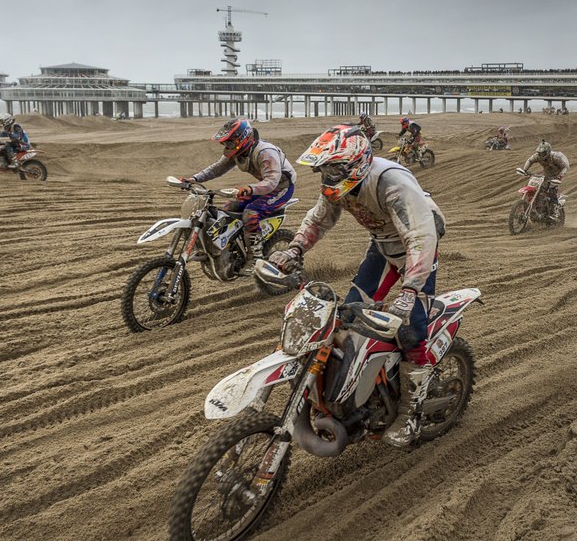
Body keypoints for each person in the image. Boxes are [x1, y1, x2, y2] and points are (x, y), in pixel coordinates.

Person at [269, 124, 446, 448]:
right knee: (348, 315)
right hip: (382, 245)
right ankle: (360, 387)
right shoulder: (338, 186)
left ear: (357, 163)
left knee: (410, 328)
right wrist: (294, 248)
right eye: (324, 169)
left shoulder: (392, 183)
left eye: (334, 168)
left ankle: (411, 413)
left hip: (417, 248)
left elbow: (421, 238)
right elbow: (318, 219)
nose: (328, 175)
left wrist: (409, 291)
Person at [181, 118, 296, 261]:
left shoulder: (265, 153)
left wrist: (249, 188)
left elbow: (272, 181)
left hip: (282, 187)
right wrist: (195, 179)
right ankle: (233, 246)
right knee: (229, 208)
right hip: (263, 186)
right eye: (225, 143)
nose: (226, 146)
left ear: (243, 138)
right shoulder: (239, 151)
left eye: (230, 142)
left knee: (251, 213)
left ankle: (254, 256)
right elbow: (217, 168)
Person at [518, 140, 569, 221]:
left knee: (551, 191)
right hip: (546, 174)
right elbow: (530, 160)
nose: (541, 155)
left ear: (548, 151)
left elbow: (565, 167)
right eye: (540, 153)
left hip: (556, 175)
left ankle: (553, 212)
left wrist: (560, 176)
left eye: (543, 153)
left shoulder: (555, 157)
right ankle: (534, 207)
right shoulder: (537, 156)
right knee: (537, 188)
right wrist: (525, 170)